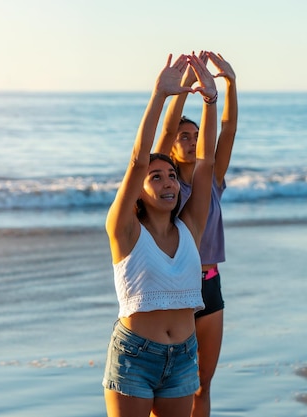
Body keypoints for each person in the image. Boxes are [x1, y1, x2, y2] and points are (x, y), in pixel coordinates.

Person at [102, 52, 218, 417]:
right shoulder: (123, 230)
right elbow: (138, 159)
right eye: (156, 177)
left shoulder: (191, 228)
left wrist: (212, 101)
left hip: (183, 356)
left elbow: (206, 162)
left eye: (170, 176)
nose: (168, 182)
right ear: (138, 189)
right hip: (135, 357)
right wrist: (159, 96)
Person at [152, 51, 237, 417]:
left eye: (196, 136)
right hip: (174, 286)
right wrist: (182, 90)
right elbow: (165, 132)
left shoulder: (212, 180)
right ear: (172, 147)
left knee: (202, 384)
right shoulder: (167, 190)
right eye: (183, 136)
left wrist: (229, 86)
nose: (190, 140)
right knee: (170, 385)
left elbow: (229, 129)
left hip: (210, 283)